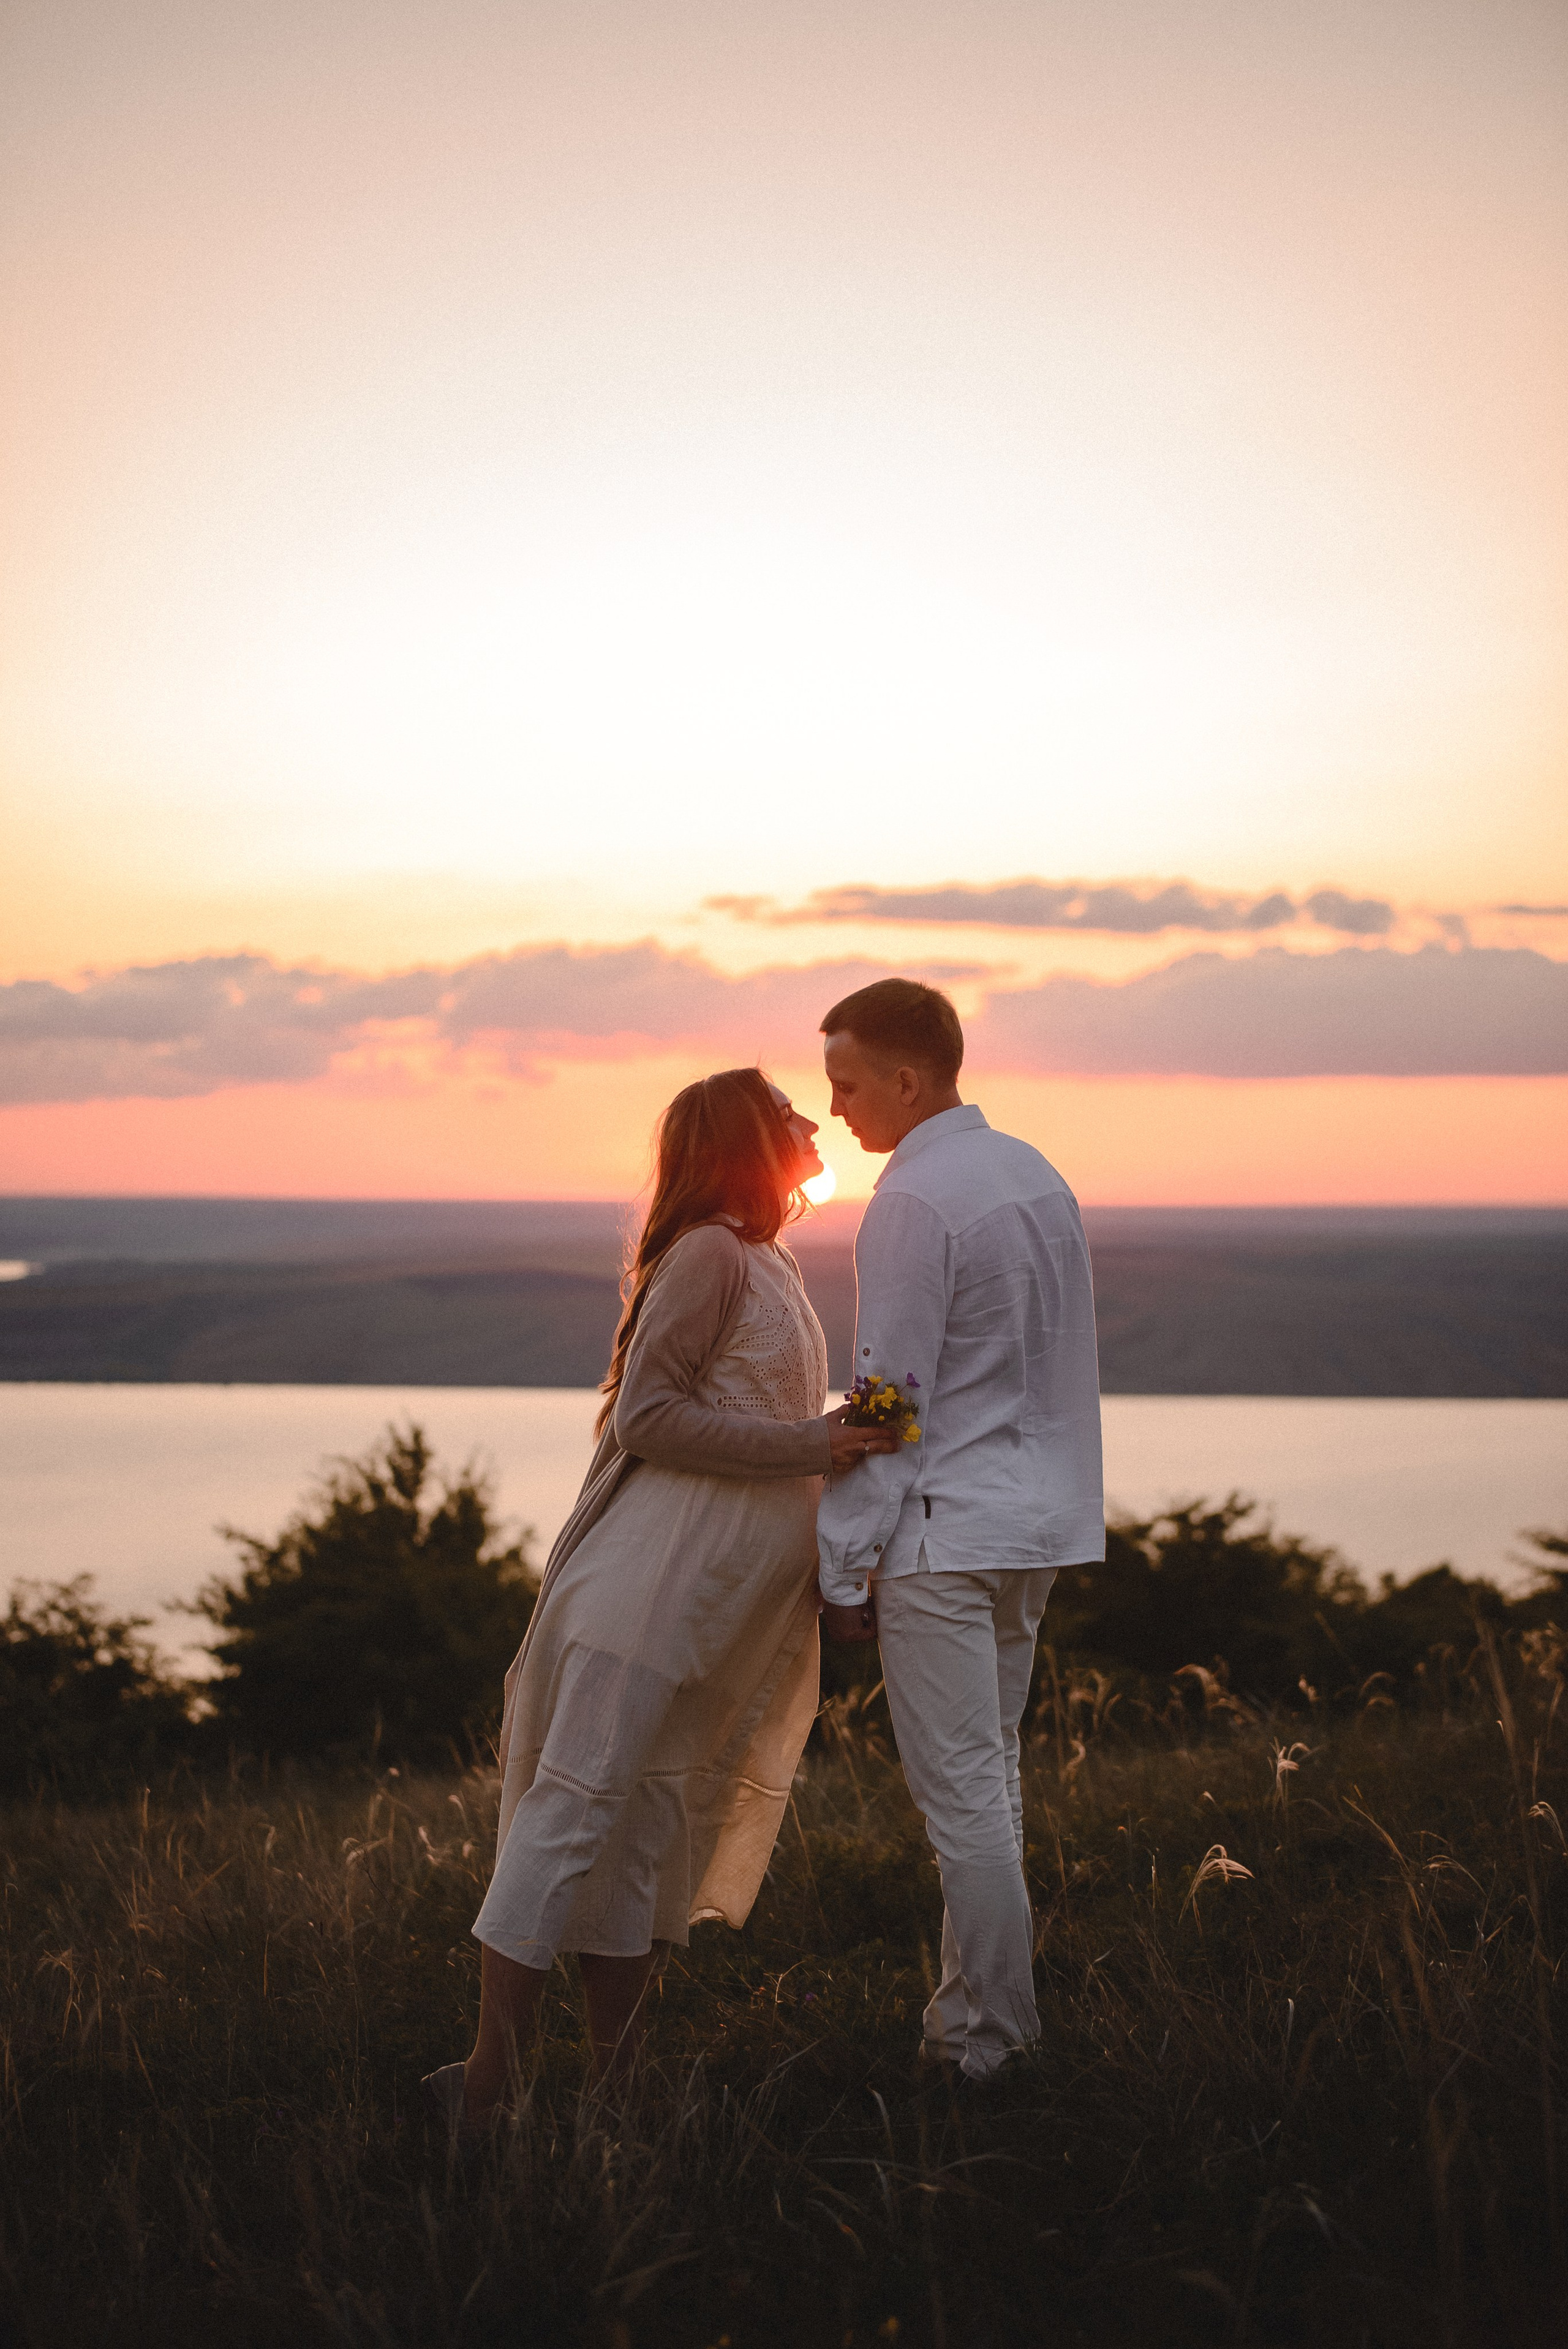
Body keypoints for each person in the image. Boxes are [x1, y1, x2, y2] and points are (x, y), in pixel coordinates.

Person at [423, 1066, 897, 2140]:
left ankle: (619, 2091)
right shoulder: (710, 1253)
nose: (810, 1119)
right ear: (743, 1136)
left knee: (642, 1839)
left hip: (714, 1612)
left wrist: (856, 1451)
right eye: (785, 1110)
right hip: (647, 1595)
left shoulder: (771, 1258)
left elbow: (768, 1418)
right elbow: (648, 1418)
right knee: (570, 1818)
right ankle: (487, 2086)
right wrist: (814, 1443)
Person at [815, 977, 1104, 2084]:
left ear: (906, 1079)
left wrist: (844, 1564)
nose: (835, 1108)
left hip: (942, 1540)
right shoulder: (1037, 1175)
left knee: (966, 1803)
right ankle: (966, 2024)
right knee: (994, 1785)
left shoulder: (912, 1202)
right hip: (1035, 1528)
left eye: (846, 1084)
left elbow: (887, 1403)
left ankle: (992, 2046)